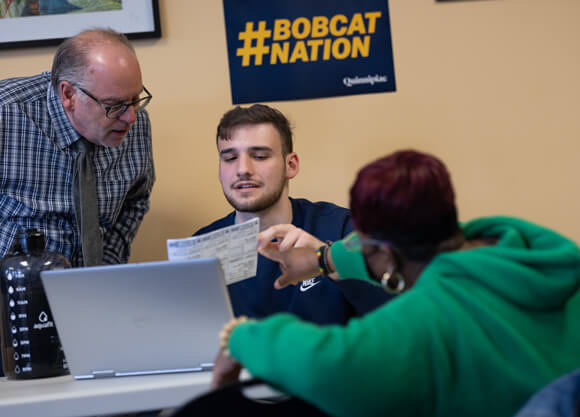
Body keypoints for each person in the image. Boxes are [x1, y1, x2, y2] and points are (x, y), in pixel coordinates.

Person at [209, 150, 580, 417]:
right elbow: (382, 248)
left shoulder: (425, 321)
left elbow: (325, 364)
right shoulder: (531, 252)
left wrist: (242, 336)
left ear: (383, 253)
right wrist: (323, 258)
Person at [193, 104, 389, 325]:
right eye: (229, 158)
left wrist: (326, 260)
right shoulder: (202, 248)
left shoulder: (343, 227)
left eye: (259, 156)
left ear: (291, 165)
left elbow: (399, 320)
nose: (242, 169)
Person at [0, 28, 155, 267]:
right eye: (114, 105)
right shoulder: (6, 115)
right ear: (68, 94)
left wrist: (108, 262)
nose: (130, 118)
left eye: (135, 99)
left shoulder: (136, 124)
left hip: (93, 291)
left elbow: (136, 199)